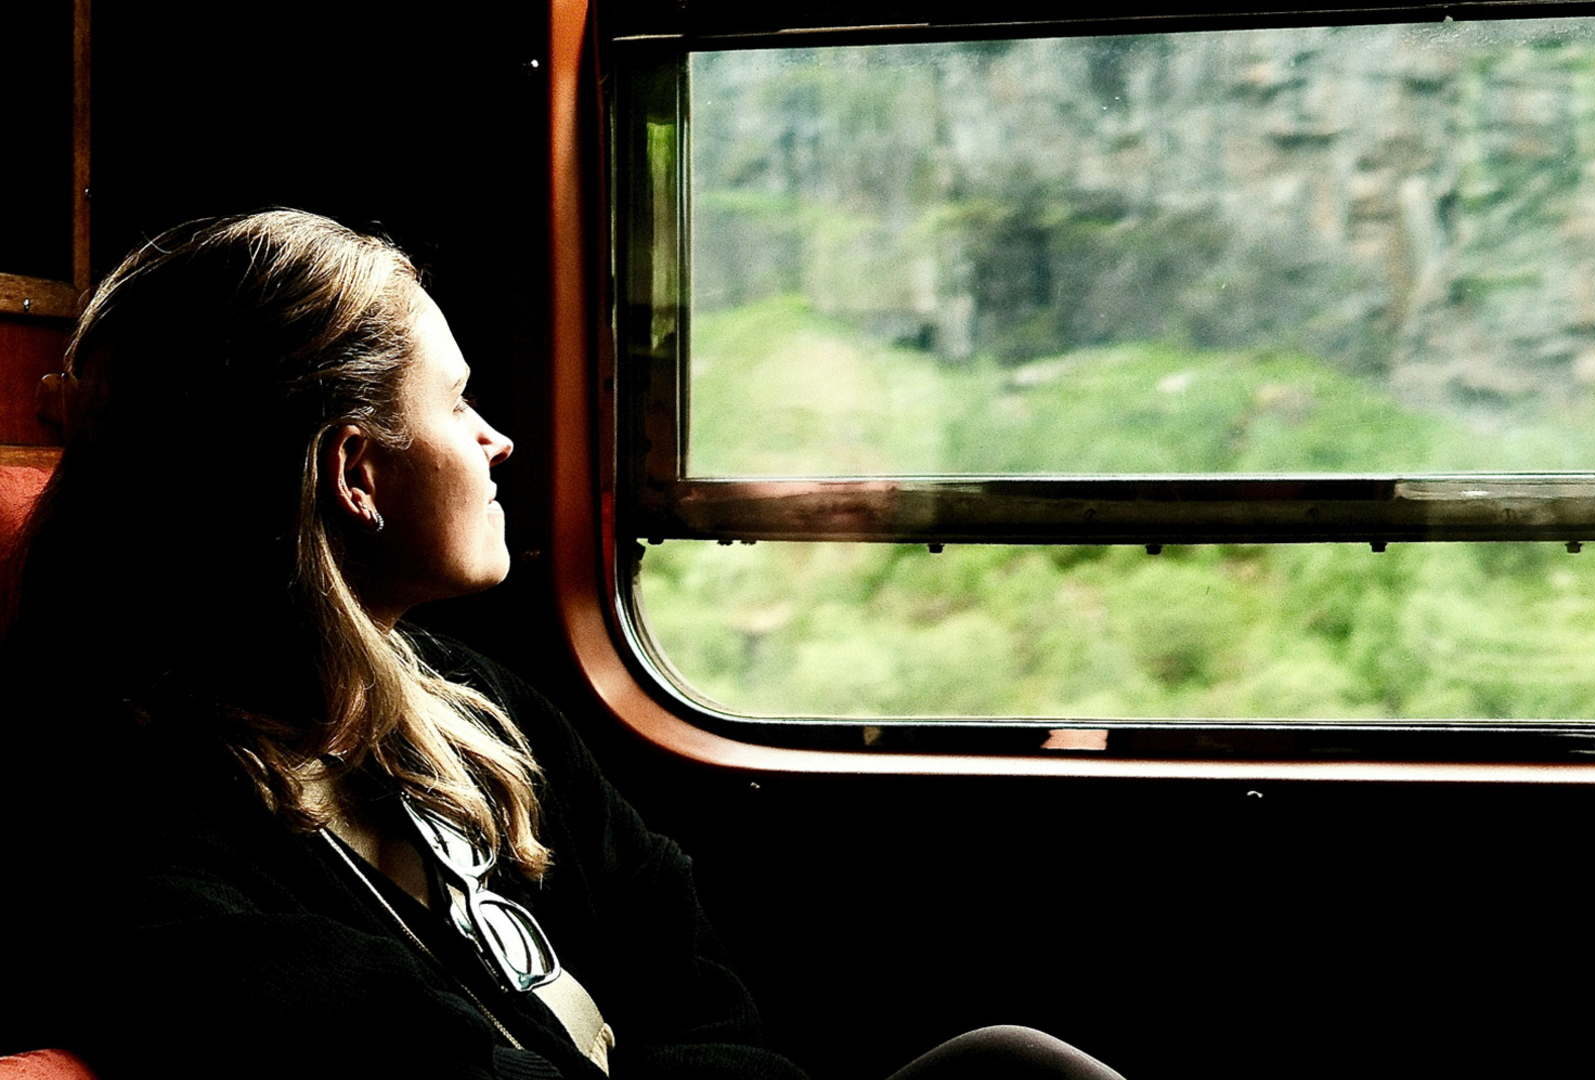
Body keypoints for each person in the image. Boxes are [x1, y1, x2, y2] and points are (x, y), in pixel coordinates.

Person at [0, 210, 1127, 1080]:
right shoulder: (137, 828)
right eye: (458, 403)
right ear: (353, 472)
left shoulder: (465, 704)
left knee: (1011, 1061)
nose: (500, 440)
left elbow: (692, 985)